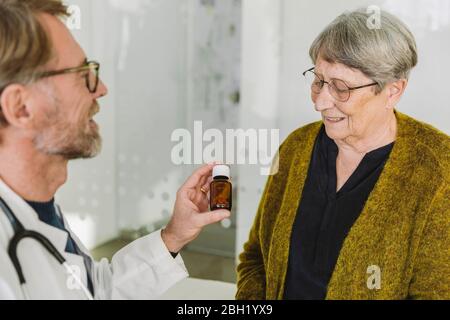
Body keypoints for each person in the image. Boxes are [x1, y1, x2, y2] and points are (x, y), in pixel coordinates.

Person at [0, 0, 230, 300]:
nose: (102, 88)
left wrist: (174, 234)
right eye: (84, 74)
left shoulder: (39, 209)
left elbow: (93, 291)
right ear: (21, 107)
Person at [236, 8, 449, 299]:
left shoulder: (439, 168)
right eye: (319, 80)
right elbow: (255, 258)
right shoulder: (296, 147)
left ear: (393, 91)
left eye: (341, 88)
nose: (321, 102)